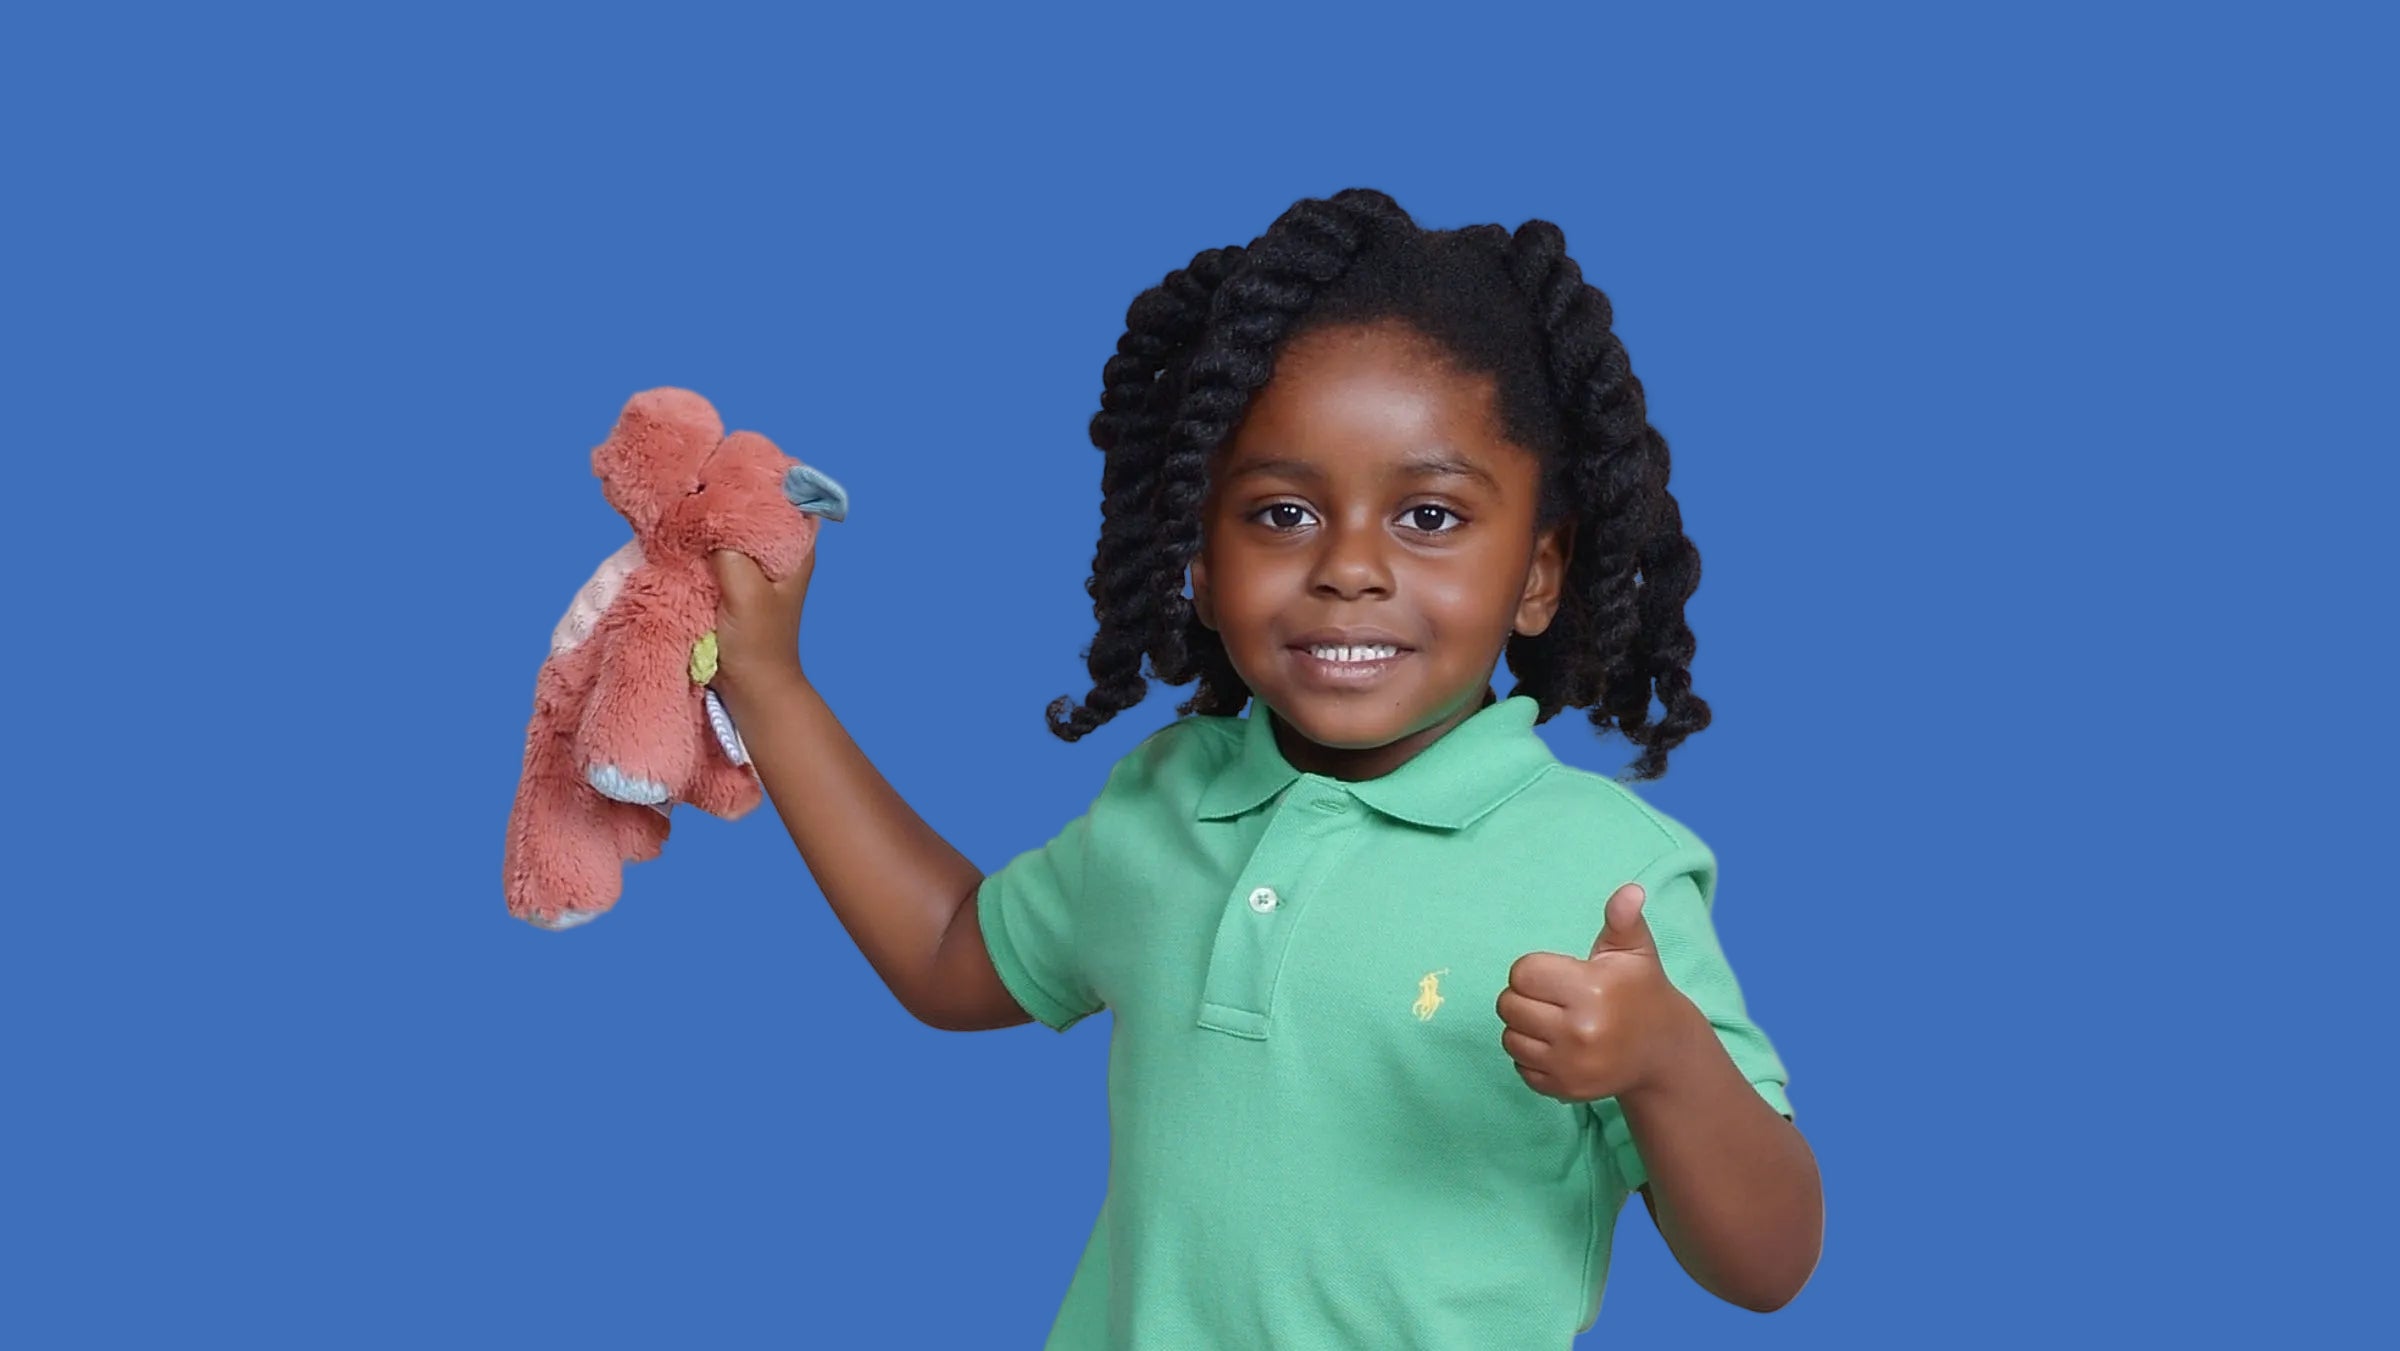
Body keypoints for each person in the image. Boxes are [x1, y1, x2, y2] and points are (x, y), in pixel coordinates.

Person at [708, 187, 1823, 1348]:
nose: (1349, 566)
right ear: (1198, 559)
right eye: (1283, 512)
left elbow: (1770, 1263)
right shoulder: (1166, 800)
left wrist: (1667, 1061)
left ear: (1540, 573)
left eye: (1430, 516)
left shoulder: (1605, 874)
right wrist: (771, 685)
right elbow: (950, 954)